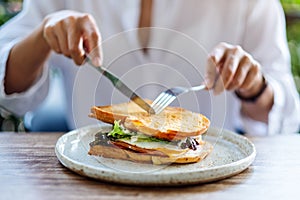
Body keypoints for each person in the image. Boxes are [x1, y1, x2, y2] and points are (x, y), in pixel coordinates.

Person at [0, 0, 299, 135]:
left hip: (211, 180)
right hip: (89, 174)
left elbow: (287, 113)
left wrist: (255, 86)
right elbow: (7, 87)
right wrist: (42, 36)